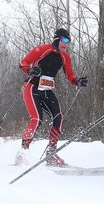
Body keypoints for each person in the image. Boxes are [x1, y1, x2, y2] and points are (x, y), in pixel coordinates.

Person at [16, 28, 88, 166]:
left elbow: (70, 75)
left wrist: (78, 81)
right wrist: (30, 70)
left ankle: (51, 153)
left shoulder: (65, 57)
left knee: (58, 117)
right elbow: (23, 63)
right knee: (37, 119)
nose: (66, 44)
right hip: (32, 87)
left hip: (47, 90)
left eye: (69, 42)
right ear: (57, 39)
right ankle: (23, 152)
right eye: (64, 40)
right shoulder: (42, 49)